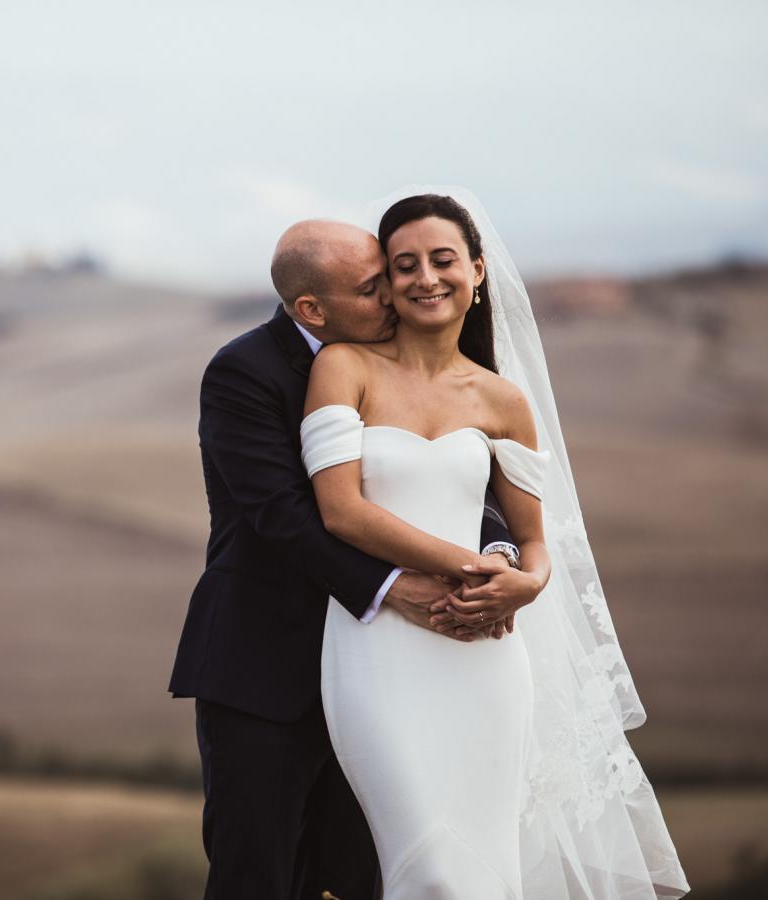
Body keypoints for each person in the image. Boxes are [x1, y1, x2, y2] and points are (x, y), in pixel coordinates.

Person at [301, 187, 689, 897]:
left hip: (485, 658)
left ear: (477, 271)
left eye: (443, 259)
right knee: (432, 872)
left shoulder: (504, 400)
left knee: (486, 871)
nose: (425, 278)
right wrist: (474, 569)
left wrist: (528, 582)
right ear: (385, 283)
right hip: (378, 647)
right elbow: (342, 513)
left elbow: (535, 543)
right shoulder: (343, 369)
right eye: (404, 264)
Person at [168, 217, 544, 899]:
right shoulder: (243, 372)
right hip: (265, 664)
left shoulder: (409, 363)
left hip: (392, 671)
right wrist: (394, 586)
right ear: (312, 308)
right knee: (258, 874)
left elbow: (455, 475)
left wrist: (498, 555)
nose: (395, 299)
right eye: (374, 288)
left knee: (356, 878)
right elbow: (285, 515)